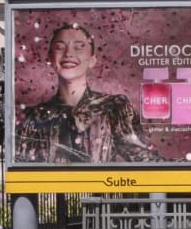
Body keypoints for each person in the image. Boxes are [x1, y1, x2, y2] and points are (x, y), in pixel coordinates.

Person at [14, 23, 161, 163]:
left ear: (92, 60)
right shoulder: (35, 117)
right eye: (60, 47)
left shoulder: (113, 108)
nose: (69, 54)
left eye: (79, 47)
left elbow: (144, 158)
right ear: (49, 58)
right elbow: (22, 167)